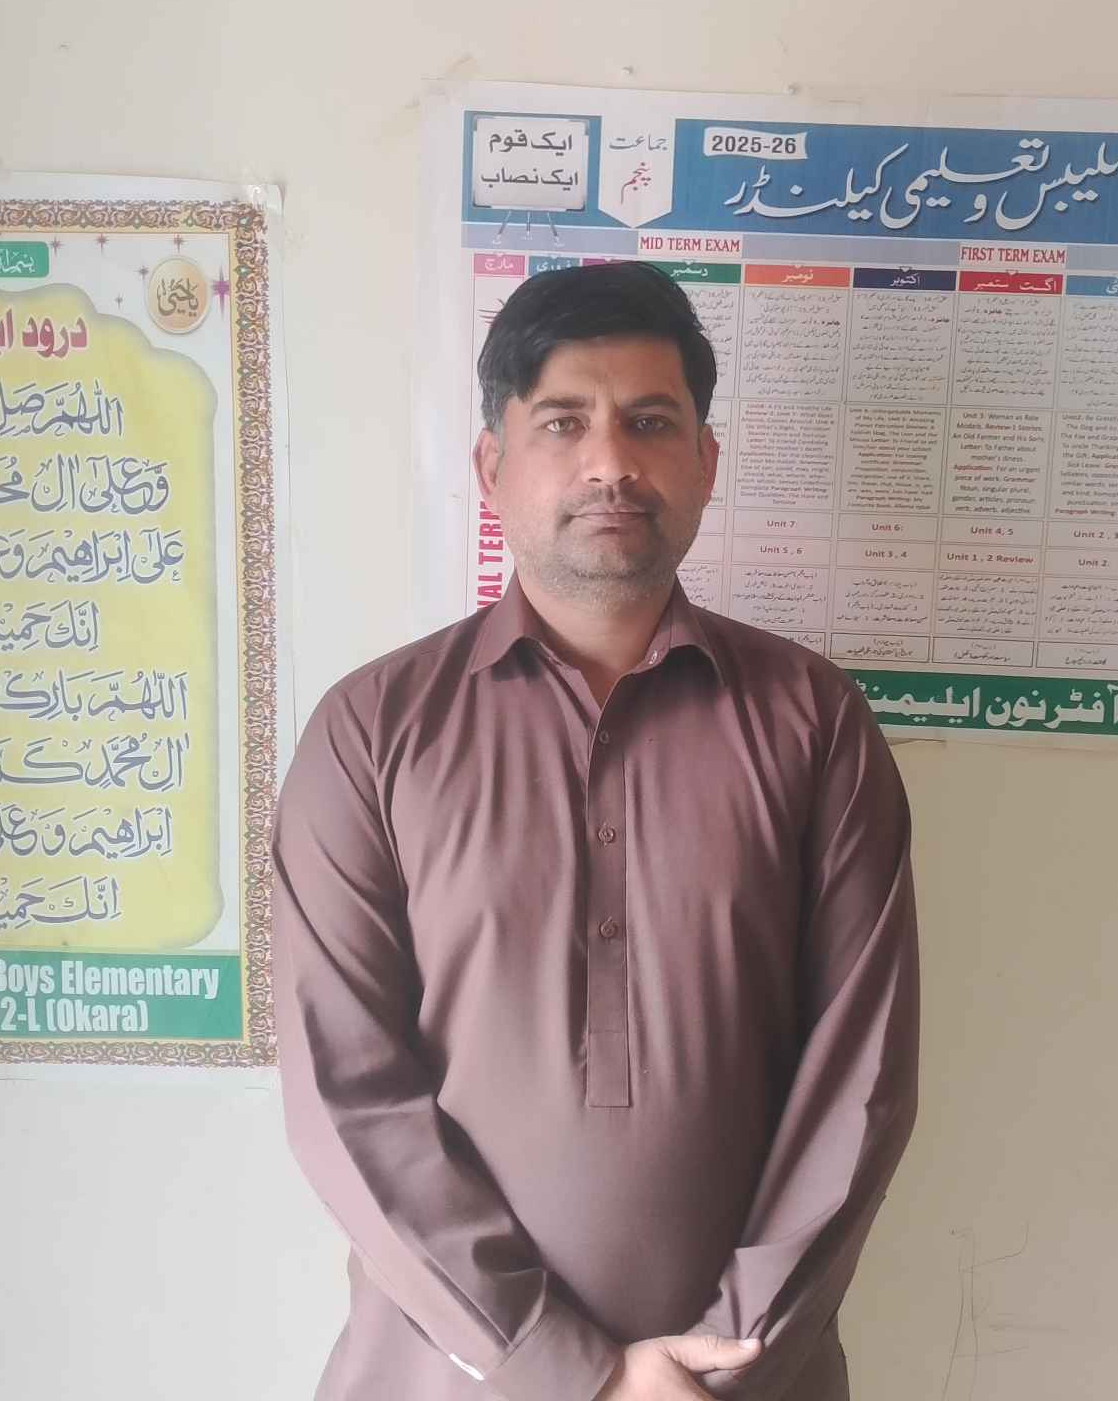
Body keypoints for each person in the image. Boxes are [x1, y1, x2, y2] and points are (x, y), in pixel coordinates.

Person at [273, 262, 919, 1401]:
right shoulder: (372, 733)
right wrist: (568, 1369)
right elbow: (348, 1096)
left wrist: (724, 1358)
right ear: (492, 465)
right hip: (447, 1376)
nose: (610, 463)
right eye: (564, 422)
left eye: (650, 423)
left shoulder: (814, 724)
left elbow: (858, 1080)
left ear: (705, 463)